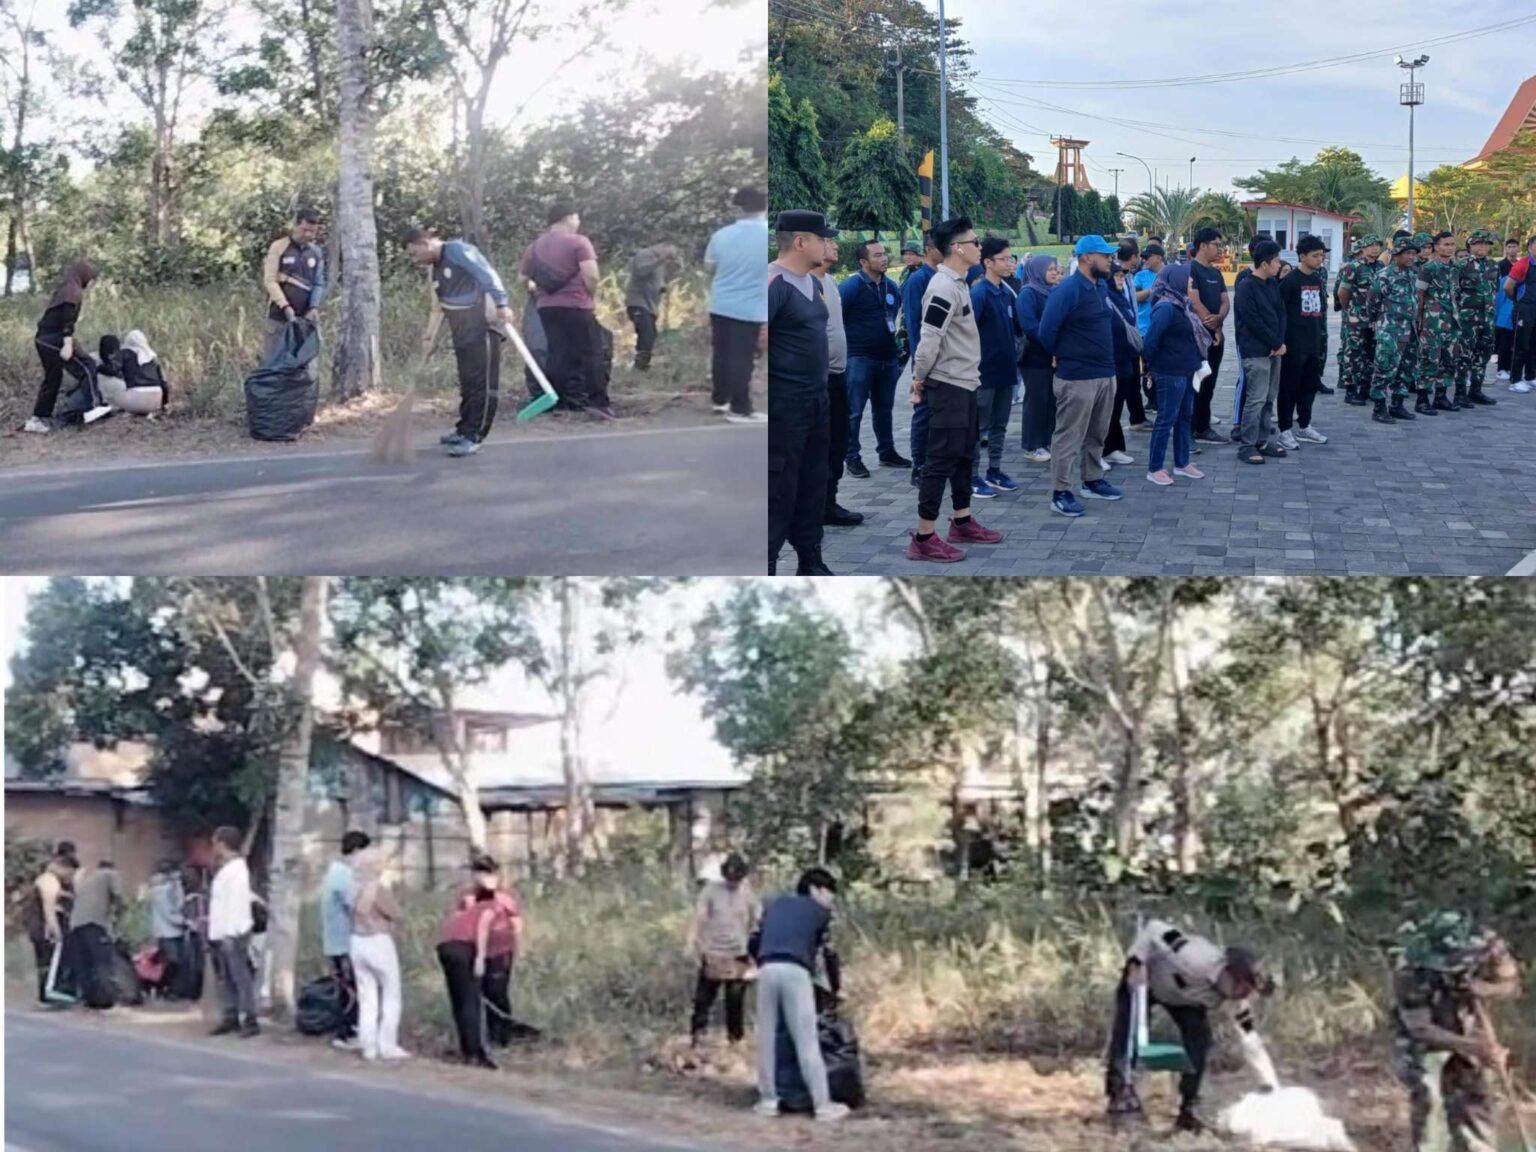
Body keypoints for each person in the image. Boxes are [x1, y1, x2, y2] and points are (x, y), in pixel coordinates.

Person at [1105, 918, 1279, 1134]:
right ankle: (1121, 1093)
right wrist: (1135, 961)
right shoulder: (1194, 957)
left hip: (1185, 1000)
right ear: (1230, 974)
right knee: (1129, 1034)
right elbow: (1154, 929)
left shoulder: (1236, 1001)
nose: (1244, 996)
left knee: (1200, 1040)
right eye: (1244, 987)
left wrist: (1271, 1085)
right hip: (1147, 980)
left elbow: (1250, 1040)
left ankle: (1189, 1107)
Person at [907, 216, 1005, 562]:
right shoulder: (943, 287)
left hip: (965, 383)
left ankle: (961, 521)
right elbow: (929, 337)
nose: (981, 247)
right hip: (946, 385)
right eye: (975, 242)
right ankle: (923, 536)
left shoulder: (960, 282)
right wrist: (918, 377)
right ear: (958, 248)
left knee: (964, 455)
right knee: (939, 461)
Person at [1390, 913, 1522, 1152]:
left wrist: (1486, 989)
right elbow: (1420, 1028)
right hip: (1423, 1038)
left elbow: (1511, 986)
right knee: (1429, 1099)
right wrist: (1475, 1047)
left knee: (1474, 1094)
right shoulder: (1409, 967)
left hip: (1467, 1023)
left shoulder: (1492, 946)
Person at [406, 227, 518, 456]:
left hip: (483, 324)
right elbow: (438, 306)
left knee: (482, 384)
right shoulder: (433, 269)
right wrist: (430, 337)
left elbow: (486, 273)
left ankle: (475, 436)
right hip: (462, 329)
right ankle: (464, 428)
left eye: (415, 253)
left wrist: (502, 303)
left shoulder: (457, 250)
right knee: (467, 381)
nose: (415, 260)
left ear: (426, 242)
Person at [768, 211, 837, 576]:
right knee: (778, 488)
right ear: (799, 242)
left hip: (817, 402)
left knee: (813, 484)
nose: (828, 244)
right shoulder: (772, 282)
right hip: (783, 408)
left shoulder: (814, 283)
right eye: (822, 238)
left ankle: (810, 560)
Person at [752, 867, 849, 1123]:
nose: (830, 900)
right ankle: (823, 1105)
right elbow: (829, 954)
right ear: (816, 889)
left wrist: (760, 961)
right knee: (806, 1040)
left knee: (767, 1038)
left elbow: (754, 939)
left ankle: (768, 1102)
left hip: (766, 968)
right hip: (795, 971)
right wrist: (836, 989)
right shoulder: (821, 912)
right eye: (829, 893)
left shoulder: (774, 904)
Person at [1037, 234, 1121, 519]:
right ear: (1087, 257)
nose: (1110, 260)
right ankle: (1061, 492)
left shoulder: (1100, 287)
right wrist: (1062, 355)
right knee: (1068, 436)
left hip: (1104, 373)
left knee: (1098, 433)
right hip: (1076, 377)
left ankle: (1092, 480)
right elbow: (1046, 331)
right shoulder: (1067, 290)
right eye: (1105, 255)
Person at [518, 201, 612, 419]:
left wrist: (538, 288)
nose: (578, 222)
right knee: (592, 352)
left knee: (557, 354)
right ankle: (598, 402)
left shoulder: (534, 247)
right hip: (577, 305)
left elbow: (523, 278)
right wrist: (591, 294)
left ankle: (557, 401)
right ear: (567, 218)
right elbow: (591, 274)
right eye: (577, 217)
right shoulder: (579, 242)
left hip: (547, 307)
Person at [437, 854, 524, 1070]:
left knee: (497, 993)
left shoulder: (504, 898)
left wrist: (515, 949)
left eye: (488, 872)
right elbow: (464, 922)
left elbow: (514, 924)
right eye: (480, 872)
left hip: (499, 949)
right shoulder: (468, 896)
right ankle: (478, 1042)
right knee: (475, 996)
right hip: (472, 950)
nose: (484, 877)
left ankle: (499, 1035)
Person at [840, 241, 908, 479]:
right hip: (859, 358)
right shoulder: (851, 286)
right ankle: (852, 457)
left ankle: (887, 452)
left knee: (884, 409)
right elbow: (836, 317)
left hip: (887, 358)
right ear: (863, 262)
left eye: (884, 254)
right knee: (854, 412)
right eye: (877, 255)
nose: (884, 258)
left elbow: (894, 312)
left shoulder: (890, 286)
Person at [1142, 264, 1212, 484]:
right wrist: (1149, 367)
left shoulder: (1183, 305)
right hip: (1169, 371)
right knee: (1166, 419)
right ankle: (1155, 467)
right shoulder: (1166, 308)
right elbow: (1151, 341)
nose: (1192, 283)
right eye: (1189, 279)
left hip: (1186, 369)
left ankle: (1182, 463)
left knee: (1184, 417)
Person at [704, 186, 769, 422]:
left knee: (721, 354)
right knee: (743, 358)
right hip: (751, 307)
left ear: (739, 207)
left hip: (720, 303)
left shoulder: (721, 235)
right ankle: (740, 408)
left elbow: (709, 268)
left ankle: (720, 400)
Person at [24, 260, 111, 433]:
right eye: (90, 278)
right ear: (83, 275)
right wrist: (67, 343)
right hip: (53, 340)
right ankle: (92, 408)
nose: (90, 282)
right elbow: (67, 320)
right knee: (87, 365)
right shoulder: (72, 292)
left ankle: (37, 419)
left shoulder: (65, 288)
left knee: (53, 379)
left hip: (43, 339)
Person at [686, 852, 762, 1047]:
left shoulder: (748, 894)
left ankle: (735, 1040)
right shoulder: (711, 891)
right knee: (703, 999)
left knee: (735, 1001)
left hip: (738, 952)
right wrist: (692, 942)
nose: (732, 882)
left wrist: (755, 952)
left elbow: (757, 921)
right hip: (713, 952)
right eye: (729, 878)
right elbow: (699, 917)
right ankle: (697, 1037)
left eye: (736, 878)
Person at [969, 236, 1021, 498]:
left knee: (1000, 425)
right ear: (988, 262)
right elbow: (967, 333)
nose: (1009, 263)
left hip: (1005, 370)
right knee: (978, 427)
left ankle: (995, 469)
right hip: (984, 373)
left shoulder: (1004, 292)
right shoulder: (979, 293)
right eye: (1003, 259)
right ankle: (972, 475)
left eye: (1011, 258)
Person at [816, 236, 862, 529]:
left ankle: (827, 504)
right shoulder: (794, 283)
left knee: (837, 444)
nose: (834, 246)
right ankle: (809, 507)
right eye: (827, 241)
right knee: (816, 448)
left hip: (837, 376)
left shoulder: (830, 282)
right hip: (814, 380)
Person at [350, 849, 409, 1061]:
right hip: (378, 940)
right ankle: (388, 1044)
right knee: (391, 993)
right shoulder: (379, 890)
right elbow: (397, 913)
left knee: (367, 997)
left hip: (357, 941)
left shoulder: (354, 889)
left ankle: (368, 1045)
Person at [1233, 240, 1288, 463]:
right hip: (1255, 351)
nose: (1279, 265)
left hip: (1275, 350)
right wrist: (1274, 343)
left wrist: (1279, 342)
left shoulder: (1273, 284)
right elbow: (1252, 321)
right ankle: (1247, 445)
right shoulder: (1247, 286)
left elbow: (1281, 313)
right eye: (1276, 261)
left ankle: (1263, 440)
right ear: (1265, 263)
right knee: (1255, 400)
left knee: (1268, 398)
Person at [1275, 234, 1329, 449]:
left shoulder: (1317, 281)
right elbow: (1280, 314)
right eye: (1315, 256)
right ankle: (1285, 429)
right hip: (1293, 344)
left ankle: (1305, 425)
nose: (1320, 260)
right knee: (1289, 387)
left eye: (1321, 256)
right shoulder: (1289, 282)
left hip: (1313, 343)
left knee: (1309, 386)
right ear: (1302, 256)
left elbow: (1320, 312)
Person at [208, 825, 259, 1038]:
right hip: (222, 932)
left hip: (233, 932)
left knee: (240, 977)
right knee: (225, 978)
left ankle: (249, 1018)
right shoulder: (227, 869)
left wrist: (231, 933)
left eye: (215, 843)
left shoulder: (238, 870)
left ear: (222, 844)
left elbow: (237, 904)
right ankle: (230, 1015)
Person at [321, 830, 370, 1050]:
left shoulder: (335, 873)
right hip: (344, 942)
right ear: (358, 851)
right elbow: (356, 906)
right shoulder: (344, 876)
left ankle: (347, 1030)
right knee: (350, 989)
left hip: (335, 941)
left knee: (345, 988)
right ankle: (347, 1032)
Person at [1369, 237, 1425, 425]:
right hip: (1391, 330)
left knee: (1407, 368)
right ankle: (1379, 407)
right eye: (1407, 253)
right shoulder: (1384, 275)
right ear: (1396, 255)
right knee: (1385, 368)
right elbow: (1373, 303)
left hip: (1410, 329)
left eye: (1413, 254)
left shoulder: (1413, 274)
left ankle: (1398, 404)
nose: (1411, 257)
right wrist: (1380, 323)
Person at [901, 234, 942, 485]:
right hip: (926, 357)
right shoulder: (919, 280)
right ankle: (919, 464)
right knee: (924, 411)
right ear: (929, 250)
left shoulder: (945, 277)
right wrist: (919, 364)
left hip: (945, 358)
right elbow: (915, 324)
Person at [261, 207, 326, 362]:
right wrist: (285, 306)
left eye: (312, 232)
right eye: (305, 230)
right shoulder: (279, 247)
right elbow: (270, 280)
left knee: (302, 365)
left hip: (305, 318)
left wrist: (314, 307)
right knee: (275, 362)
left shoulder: (315, 252)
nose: (308, 235)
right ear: (296, 226)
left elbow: (318, 283)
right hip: (279, 316)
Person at [1015, 254, 1061, 466]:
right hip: (1035, 356)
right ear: (1038, 270)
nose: (1054, 272)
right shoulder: (1028, 293)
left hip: (1054, 355)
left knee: (1052, 400)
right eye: (1050, 269)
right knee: (1036, 400)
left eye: (1056, 269)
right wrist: (1051, 343)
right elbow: (1030, 326)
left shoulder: (1054, 292)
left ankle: (1048, 439)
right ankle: (1033, 445)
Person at [1186, 228, 1231, 444]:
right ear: (1203, 245)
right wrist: (1211, 325)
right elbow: (1193, 300)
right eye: (1216, 244)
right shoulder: (1190, 270)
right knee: (1195, 383)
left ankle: (1203, 427)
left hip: (1216, 336)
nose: (1219, 249)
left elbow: (1225, 300)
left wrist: (1219, 321)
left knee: (1210, 383)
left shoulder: (1215, 273)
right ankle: (1189, 429)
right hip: (1196, 338)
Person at [1102, 261, 1146, 467]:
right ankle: (1101, 450)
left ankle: (1113, 447)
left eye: (1122, 276)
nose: (1121, 280)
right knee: (1106, 408)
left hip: (1125, 358)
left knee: (1117, 405)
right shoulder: (1104, 298)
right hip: (1109, 358)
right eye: (1117, 276)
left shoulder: (1120, 297)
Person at [67, 859, 125, 1008]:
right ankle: (106, 1001)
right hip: (94, 923)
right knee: (102, 962)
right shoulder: (110, 874)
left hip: (75, 924)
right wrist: (119, 915)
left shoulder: (88, 879)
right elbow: (120, 897)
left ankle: (90, 1000)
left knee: (84, 963)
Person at [1417, 232, 1463, 415]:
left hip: (1451, 322)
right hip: (1432, 322)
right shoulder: (1428, 268)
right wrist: (1419, 319)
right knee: (1429, 360)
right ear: (1436, 246)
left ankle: (1441, 397)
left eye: (1452, 244)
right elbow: (1419, 295)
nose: (1450, 248)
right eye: (1446, 244)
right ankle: (1422, 399)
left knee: (1448, 360)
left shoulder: (1454, 268)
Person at [24, 850, 78, 1005]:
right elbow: (48, 909)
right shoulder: (50, 881)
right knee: (49, 961)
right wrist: (57, 932)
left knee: (43, 962)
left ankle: (44, 993)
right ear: (64, 868)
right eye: (70, 873)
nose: (69, 878)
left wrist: (65, 896)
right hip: (43, 928)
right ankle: (48, 993)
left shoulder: (44, 880)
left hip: (36, 927)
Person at [1454, 229, 1499, 407]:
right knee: (1464, 356)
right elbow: (1454, 292)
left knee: (1483, 355)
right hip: (1467, 318)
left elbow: (1495, 290)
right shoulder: (1461, 265)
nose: (1482, 247)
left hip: (1487, 317)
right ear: (1470, 245)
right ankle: (1460, 393)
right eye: (1479, 243)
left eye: (1486, 244)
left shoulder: (1493, 266)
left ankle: (1476, 390)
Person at [1336, 234, 1382, 407]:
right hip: (1357, 318)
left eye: (1377, 245)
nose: (1374, 248)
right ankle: (1350, 389)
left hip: (1375, 318)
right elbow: (1342, 292)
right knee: (1354, 353)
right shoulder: (1353, 267)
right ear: (1362, 249)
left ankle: (1365, 387)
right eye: (1370, 245)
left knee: (1371, 353)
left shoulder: (1381, 267)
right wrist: (1349, 310)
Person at [624, 243, 677, 371]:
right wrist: (662, 259)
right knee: (647, 333)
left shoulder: (661, 263)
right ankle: (640, 367)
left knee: (651, 334)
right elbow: (642, 271)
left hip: (650, 305)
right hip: (638, 302)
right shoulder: (645, 254)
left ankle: (642, 366)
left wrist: (662, 287)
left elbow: (656, 281)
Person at [98, 331, 170, 415]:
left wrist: (98, 368)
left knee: (107, 378)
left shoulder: (126, 353)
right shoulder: (153, 357)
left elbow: (112, 370)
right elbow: (164, 384)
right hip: (156, 401)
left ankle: (105, 404)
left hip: (136, 400)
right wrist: (164, 404)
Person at [149, 859, 188, 1001]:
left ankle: (171, 990)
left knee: (176, 963)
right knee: (173, 962)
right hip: (166, 931)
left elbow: (178, 904)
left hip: (172, 930)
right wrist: (183, 922)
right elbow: (169, 911)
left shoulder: (172, 887)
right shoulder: (160, 890)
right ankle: (161, 986)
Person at [1132, 244, 1164, 418]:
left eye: (1148, 256)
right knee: (1147, 367)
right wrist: (1152, 291)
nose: (1145, 260)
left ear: (1158, 257)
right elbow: (1135, 297)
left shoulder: (1168, 274)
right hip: (1144, 328)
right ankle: (1151, 399)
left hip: (1163, 329)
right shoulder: (1140, 276)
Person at [1503, 235, 1536, 391]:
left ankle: (1530, 376)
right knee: (1521, 344)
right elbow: (1508, 287)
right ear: (1530, 246)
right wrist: (1518, 302)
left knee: (1534, 344)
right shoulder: (1523, 264)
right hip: (1524, 308)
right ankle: (1515, 380)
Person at [1495, 237, 1519, 382]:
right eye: (1509, 246)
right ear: (1505, 249)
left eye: (1514, 246)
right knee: (1503, 337)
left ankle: (1510, 367)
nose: (1512, 249)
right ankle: (1501, 368)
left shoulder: (1521, 264)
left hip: (1517, 306)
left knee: (1513, 340)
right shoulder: (1500, 266)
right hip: (1503, 304)